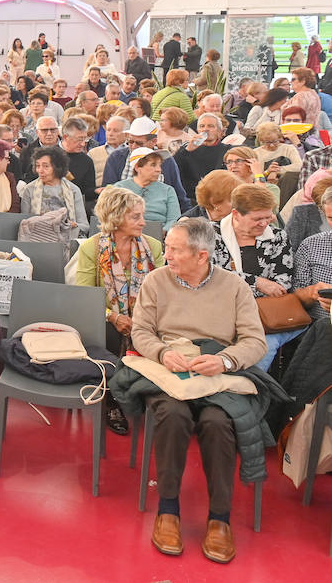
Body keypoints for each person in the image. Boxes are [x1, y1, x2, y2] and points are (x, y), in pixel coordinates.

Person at [124, 218, 265, 564]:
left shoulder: (234, 287)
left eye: (174, 249)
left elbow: (254, 341)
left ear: (201, 256)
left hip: (216, 371)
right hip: (168, 367)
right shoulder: (156, 281)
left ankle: (220, 519)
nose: (166, 254)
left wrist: (226, 361)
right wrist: (161, 352)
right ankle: (168, 509)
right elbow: (141, 331)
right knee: (172, 415)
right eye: (167, 246)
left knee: (219, 423)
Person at [69, 185, 166, 434]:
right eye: (135, 216)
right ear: (115, 217)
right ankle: (112, 399)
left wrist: (142, 319)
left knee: (153, 333)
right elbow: (84, 295)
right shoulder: (91, 248)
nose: (143, 222)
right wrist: (113, 316)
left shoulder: (153, 247)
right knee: (109, 334)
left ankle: (146, 394)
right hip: (104, 317)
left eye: (142, 216)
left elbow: (163, 292)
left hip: (145, 316)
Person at [214, 183, 296, 371]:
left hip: (264, 316)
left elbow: (282, 282)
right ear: (236, 214)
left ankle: (253, 390)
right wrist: (257, 282)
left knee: (264, 345)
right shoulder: (212, 235)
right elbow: (211, 275)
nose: (264, 223)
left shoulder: (277, 237)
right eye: (257, 218)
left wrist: (240, 284)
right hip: (221, 310)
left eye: (268, 217)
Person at [19, 145, 87, 238]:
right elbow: (24, 223)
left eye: (46, 166)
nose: (40, 170)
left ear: (57, 167)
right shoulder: (29, 189)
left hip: (67, 237)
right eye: (38, 166)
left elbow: (84, 226)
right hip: (37, 238)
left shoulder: (73, 190)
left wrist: (69, 225)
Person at [117, 148, 182, 230]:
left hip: (159, 235)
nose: (159, 170)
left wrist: (162, 232)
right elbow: (110, 216)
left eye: (159, 165)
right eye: (153, 165)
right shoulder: (119, 189)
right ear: (137, 167)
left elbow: (174, 219)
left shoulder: (168, 190)